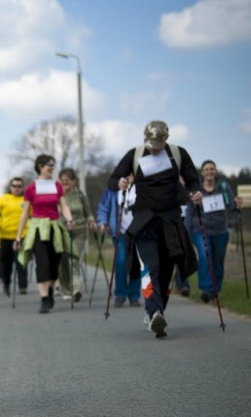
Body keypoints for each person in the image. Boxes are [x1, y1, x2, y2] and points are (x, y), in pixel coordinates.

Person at [107, 120, 201, 338]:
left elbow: (193, 180)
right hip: (144, 222)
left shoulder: (178, 154)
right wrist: (120, 182)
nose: (153, 148)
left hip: (171, 222)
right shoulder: (135, 154)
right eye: (150, 143)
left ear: (166, 139)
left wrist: (195, 192)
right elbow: (113, 180)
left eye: (157, 144)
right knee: (151, 268)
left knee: (166, 273)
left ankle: (156, 313)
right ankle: (154, 311)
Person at [15, 155, 74, 314]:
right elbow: (25, 213)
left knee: (55, 264)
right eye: (49, 165)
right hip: (38, 228)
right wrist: (18, 236)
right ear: (40, 166)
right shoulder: (31, 188)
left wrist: (69, 219)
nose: (52, 168)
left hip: (55, 227)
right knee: (42, 263)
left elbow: (64, 205)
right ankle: (44, 298)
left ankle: (49, 290)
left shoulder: (57, 186)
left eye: (53, 165)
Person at [184, 160, 243, 302]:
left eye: (212, 169)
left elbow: (231, 207)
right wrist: (186, 232)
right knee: (205, 256)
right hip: (201, 229)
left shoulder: (223, 187)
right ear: (202, 173)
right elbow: (190, 211)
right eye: (206, 169)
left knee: (217, 262)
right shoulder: (196, 189)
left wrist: (237, 204)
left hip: (220, 230)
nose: (209, 171)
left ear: (215, 171)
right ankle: (206, 288)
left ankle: (215, 289)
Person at [96, 173, 141, 307]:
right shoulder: (113, 189)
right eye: (125, 174)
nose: (128, 177)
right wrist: (103, 222)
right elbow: (104, 208)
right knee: (121, 261)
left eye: (131, 174)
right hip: (120, 233)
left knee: (135, 264)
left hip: (137, 232)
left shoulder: (141, 188)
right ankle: (120, 294)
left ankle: (134, 295)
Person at [58, 168, 96, 302]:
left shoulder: (81, 195)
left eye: (67, 181)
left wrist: (91, 222)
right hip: (62, 231)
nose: (64, 183)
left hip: (79, 231)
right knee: (62, 262)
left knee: (73, 259)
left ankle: (76, 289)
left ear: (73, 181)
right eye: (62, 181)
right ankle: (66, 288)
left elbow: (88, 213)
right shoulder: (58, 196)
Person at [0, 177, 29, 296]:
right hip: (6, 235)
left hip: (22, 235)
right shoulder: (3, 199)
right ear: (10, 187)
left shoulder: (27, 199)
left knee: (22, 260)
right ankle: (6, 283)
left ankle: (22, 285)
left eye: (19, 186)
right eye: (15, 186)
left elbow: (33, 215)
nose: (17, 188)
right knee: (6, 262)